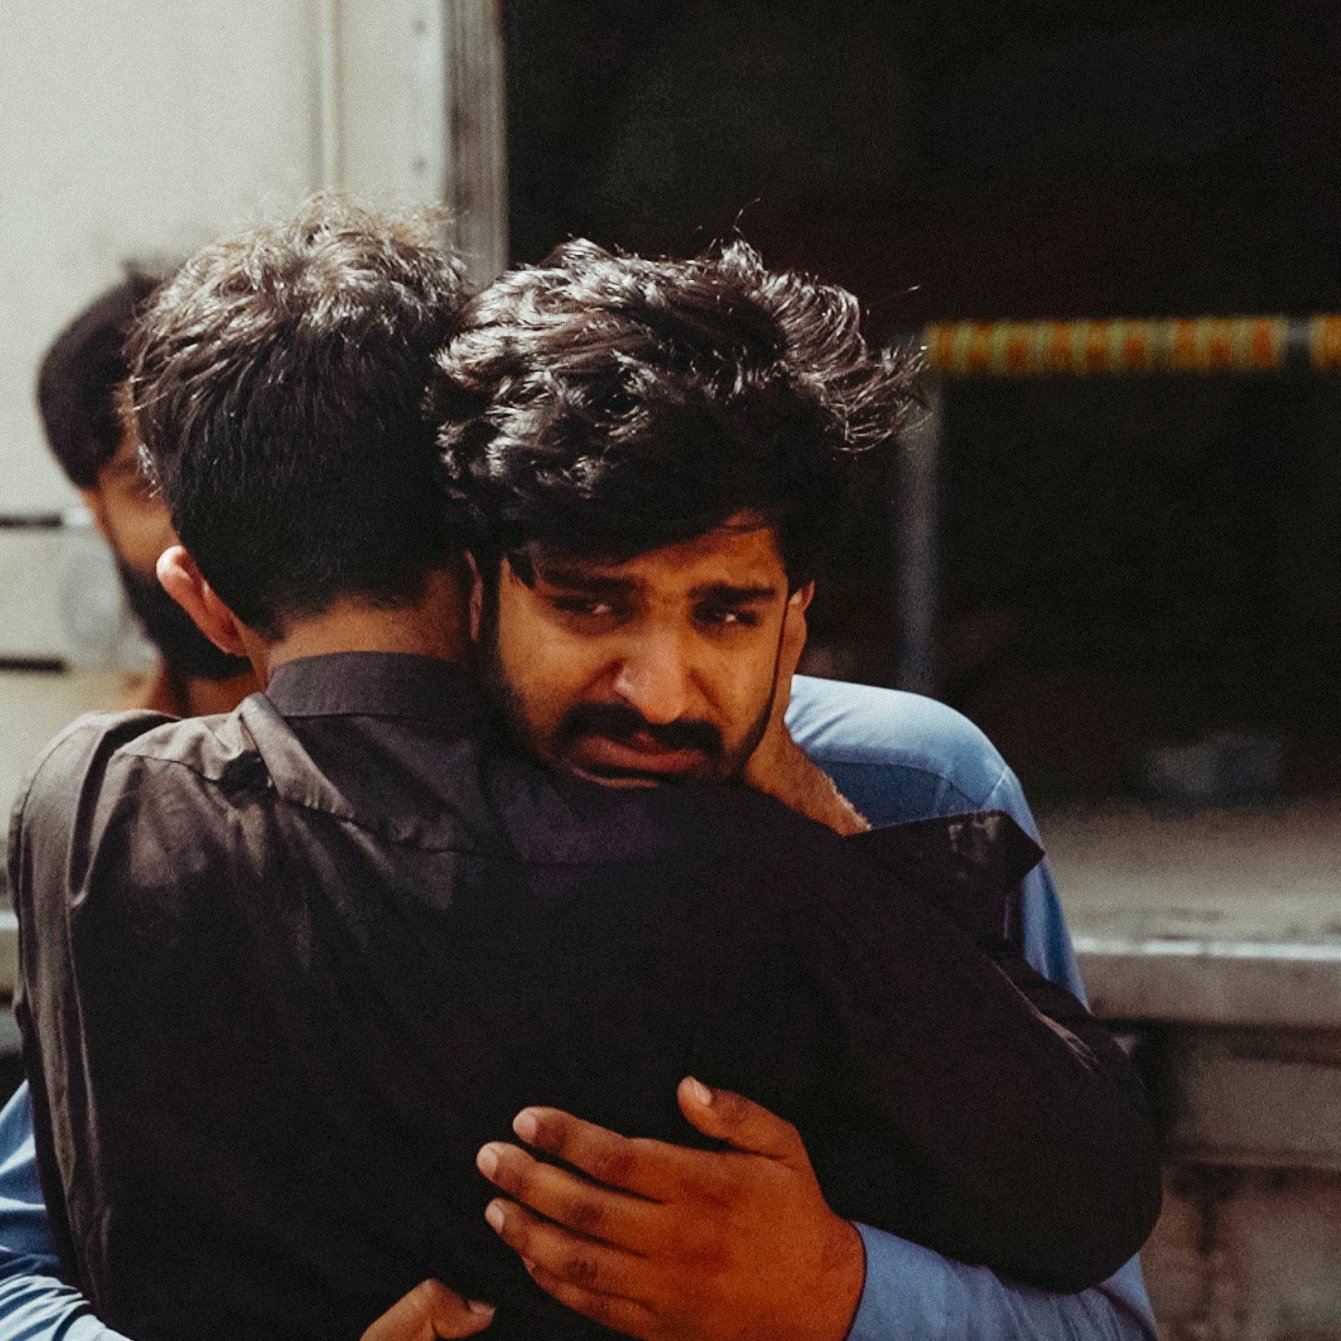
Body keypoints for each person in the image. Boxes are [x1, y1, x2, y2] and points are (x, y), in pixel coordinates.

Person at [6, 202, 1157, 1340]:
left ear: (795, 613)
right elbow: (18, 1263)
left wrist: (838, 1292)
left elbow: (1106, 1314)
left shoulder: (908, 789)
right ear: (482, 564)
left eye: (726, 614)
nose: (657, 691)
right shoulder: (200, 830)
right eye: (590, 602)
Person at [35, 274, 256, 715]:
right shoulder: (108, 778)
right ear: (97, 511)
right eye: (149, 485)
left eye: (215, 467)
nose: (189, 526)